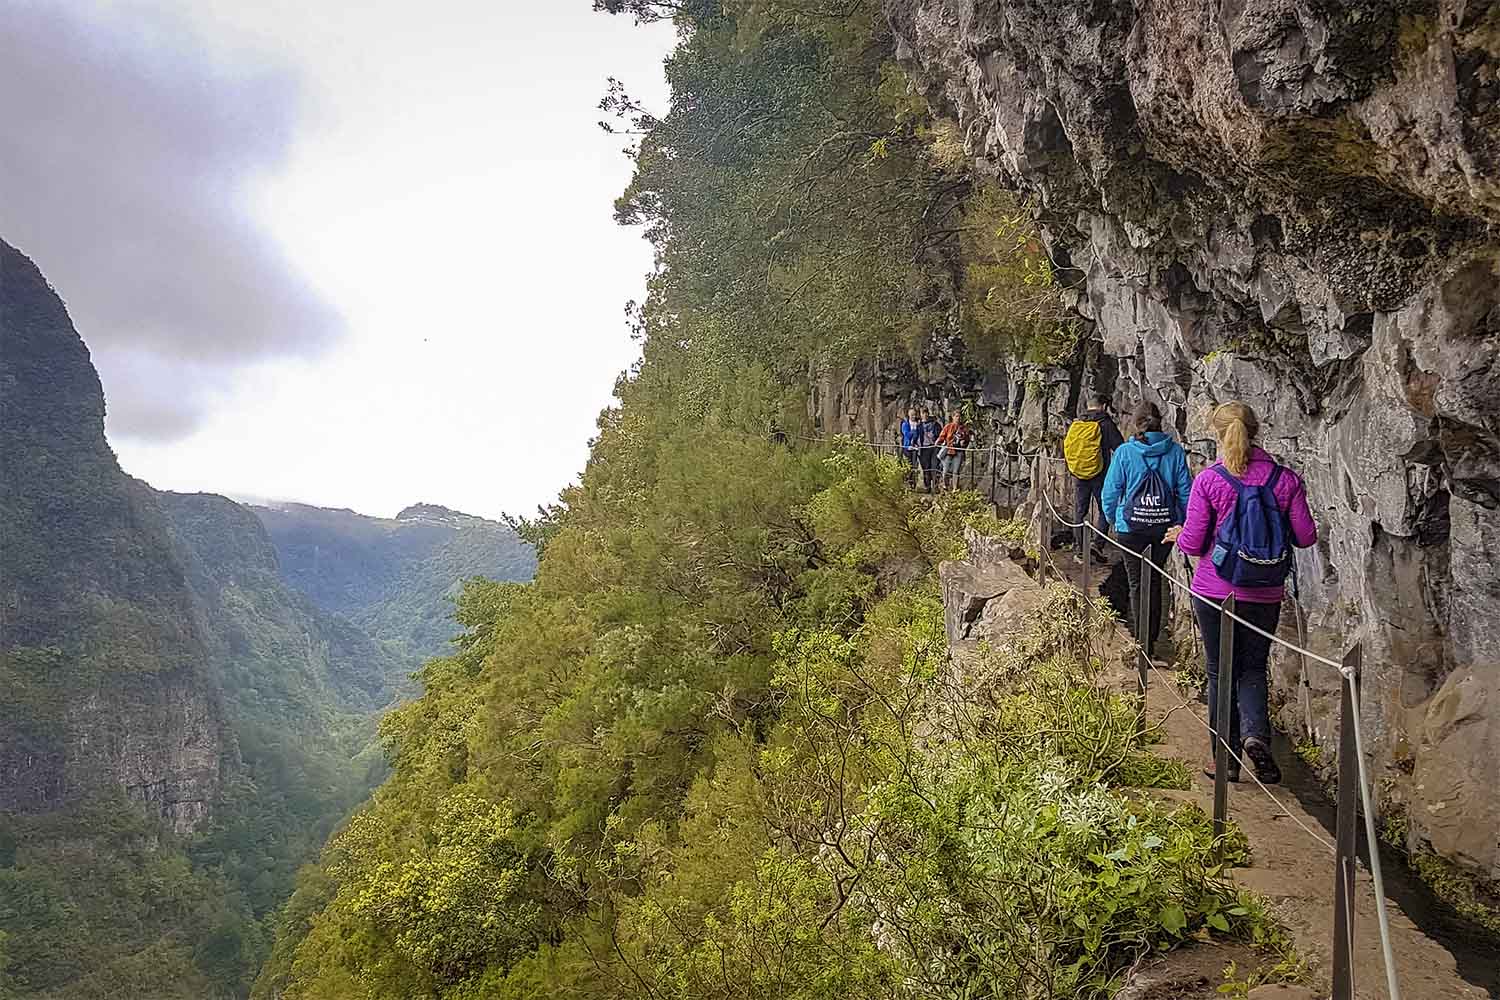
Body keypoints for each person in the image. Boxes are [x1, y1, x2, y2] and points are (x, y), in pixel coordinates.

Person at [1176, 401, 1317, 785]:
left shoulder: (1210, 480)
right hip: (1265, 591)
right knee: (1253, 668)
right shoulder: (1286, 480)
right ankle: (1256, 736)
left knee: (1220, 672)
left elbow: (1193, 542)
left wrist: (1179, 535)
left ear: (1218, 435)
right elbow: (1306, 536)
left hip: (1215, 591)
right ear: (1255, 431)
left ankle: (1225, 761)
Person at [1100, 402, 1192, 657]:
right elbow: (1186, 493)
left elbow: (1110, 492)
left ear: (1136, 423)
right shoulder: (1175, 452)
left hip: (1130, 529)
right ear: (1160, 423)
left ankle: (1141, 646)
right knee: (1154, 581)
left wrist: (1114, 520)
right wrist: (1182, 524)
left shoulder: (1125, 452)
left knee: (1136, 584)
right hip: (1163, 529)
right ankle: (1149, 643)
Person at [1062, 392, 1124, 559]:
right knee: (1104, 509)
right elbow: (1120, 448)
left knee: (1080, 510)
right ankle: (1097, 544)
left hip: (1079, 474)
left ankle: (1080, 550)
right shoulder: (1106, 424)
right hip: (1100, 474)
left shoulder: (1077, 423)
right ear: (1103, 406)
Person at [936, 409, 972, 491]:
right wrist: (938, 442)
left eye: (959, 416)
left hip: (959, 450)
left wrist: (964, 443)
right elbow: (942, 436)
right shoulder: (948, 426)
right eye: (956, 416)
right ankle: (945, 485)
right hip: (949, 450)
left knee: (956, 471)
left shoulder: (963, 428)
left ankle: (955, 488)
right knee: (946, 470)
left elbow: (967, 439)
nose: (958, 418)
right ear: (953, 417)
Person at [918, 407, 943, 493]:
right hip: (924, 448)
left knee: (934, 466)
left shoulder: (935, 424)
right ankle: (927, 486)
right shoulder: (919, 425)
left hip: (934, 447)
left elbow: (940, 434)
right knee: (926, 467)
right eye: (923, 413)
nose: (925, 415)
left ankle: (935, 486)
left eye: (926, 413)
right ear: (920, 414)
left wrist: (937, 441)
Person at [899, 407, 921, 487]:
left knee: (914, 465)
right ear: (908, 414)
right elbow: (906, 434)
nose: (913, 416)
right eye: (912, 414)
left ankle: (913, 482)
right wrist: (914, 431)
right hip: (907, 447)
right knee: (908, 464)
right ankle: (907, 481)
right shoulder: (905, 424)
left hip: (915, 447)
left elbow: (919, 435)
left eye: (914, 414)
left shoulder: (918, 424)